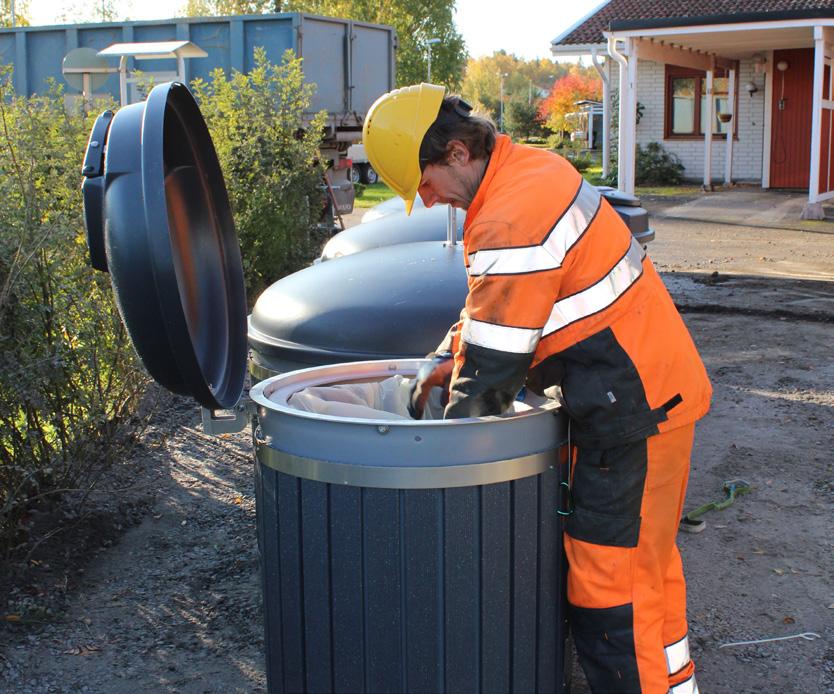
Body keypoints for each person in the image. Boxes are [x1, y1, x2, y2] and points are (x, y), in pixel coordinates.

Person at [362, 83, 712, 694]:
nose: (428, 200)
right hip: (647, 397)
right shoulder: (527, 171)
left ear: (454, 153)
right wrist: (445, 355)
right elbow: (498, 310)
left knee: (610, 587)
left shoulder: (507, 214)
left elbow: (492, 376)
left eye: (423, 184)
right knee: (646, 570)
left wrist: (438, 458)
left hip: (632, 411)